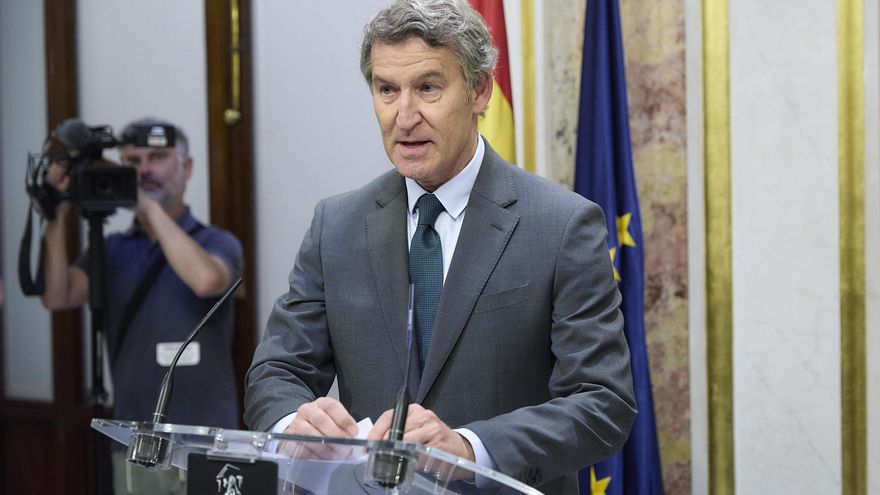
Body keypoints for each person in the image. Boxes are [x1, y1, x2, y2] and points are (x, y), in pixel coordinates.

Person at [244, 0, 636, 492]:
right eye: (387, 90)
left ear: (479, 91)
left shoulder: (562, 225)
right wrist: (291, 424)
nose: (404, 115)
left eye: (427, 87)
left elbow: (602, 401)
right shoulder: (336, 226)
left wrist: (473, 448)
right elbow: (276, 371)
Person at [40, 117, 243, 495]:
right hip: (136, 443)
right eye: (132, 161)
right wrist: (55, 216)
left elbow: (206, 280)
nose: (145, 170)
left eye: (158, 157)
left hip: (210, 442)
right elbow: (57, 295)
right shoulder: (112, 248)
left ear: (186, 167)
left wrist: (147, 209)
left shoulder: (217, 241)